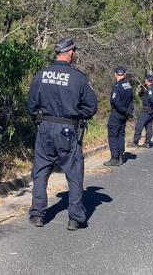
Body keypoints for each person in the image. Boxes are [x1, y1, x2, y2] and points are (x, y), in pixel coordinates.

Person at [26, 37, 98, 231]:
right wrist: (76, 116)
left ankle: (37, 214)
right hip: (68, 130)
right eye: (74, 51)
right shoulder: (78, 77)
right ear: (70, 52)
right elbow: (91, 107)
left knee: (40, 172)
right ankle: (75, 218)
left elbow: (31, 105)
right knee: (74, 173)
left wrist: (42, 119)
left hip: (45, 128)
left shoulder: (41, 75)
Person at [104, 66, 134, 167]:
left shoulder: (117, 86)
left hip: (117, 114)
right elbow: (131, 101)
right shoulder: (128, 85)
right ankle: (121, 156)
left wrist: (124, 111)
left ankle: (114, 158)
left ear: (116, 74)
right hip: (124, 116)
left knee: (113, 135)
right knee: (121, 135)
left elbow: (115, 101)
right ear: (124, 74)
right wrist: (128, 112)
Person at [131, 74, 153, 148]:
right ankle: (147, 143)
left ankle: (135, 142)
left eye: (145, 79)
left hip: (147, 110)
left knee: (139, 125)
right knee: (149, 125)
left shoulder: (150, 89)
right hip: (151, 111)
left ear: (147, 80)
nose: (144, 80)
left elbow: (152, 99)